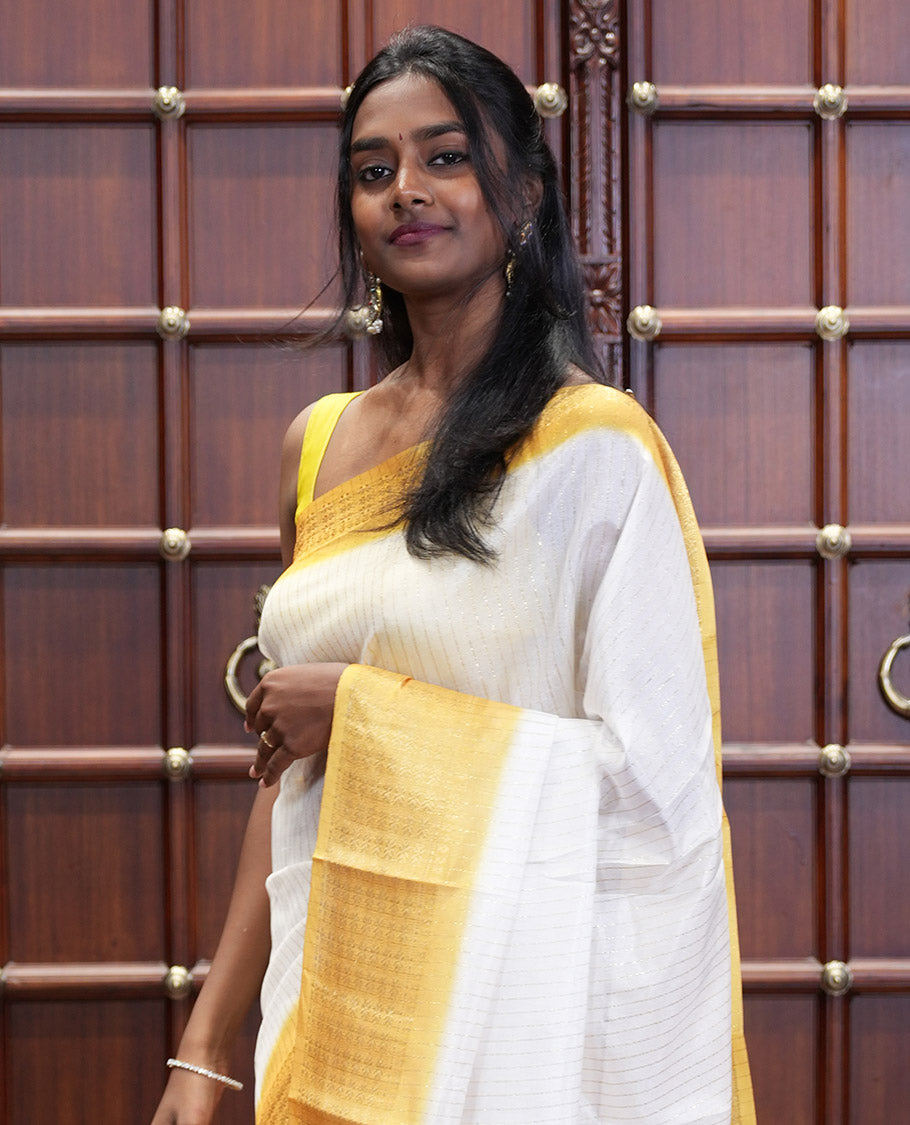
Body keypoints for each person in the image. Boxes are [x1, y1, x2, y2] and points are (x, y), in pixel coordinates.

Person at [151, 25, 754, 1125]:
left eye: (445, 157)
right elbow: (290, 782)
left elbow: (652, 793)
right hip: (332, 996)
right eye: (373, 170)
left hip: (511, 1042)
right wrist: (203, 1049)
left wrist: (367, 714)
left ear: (521, 193)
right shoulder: (318, 444)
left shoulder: (593, 452)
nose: (404, 192)